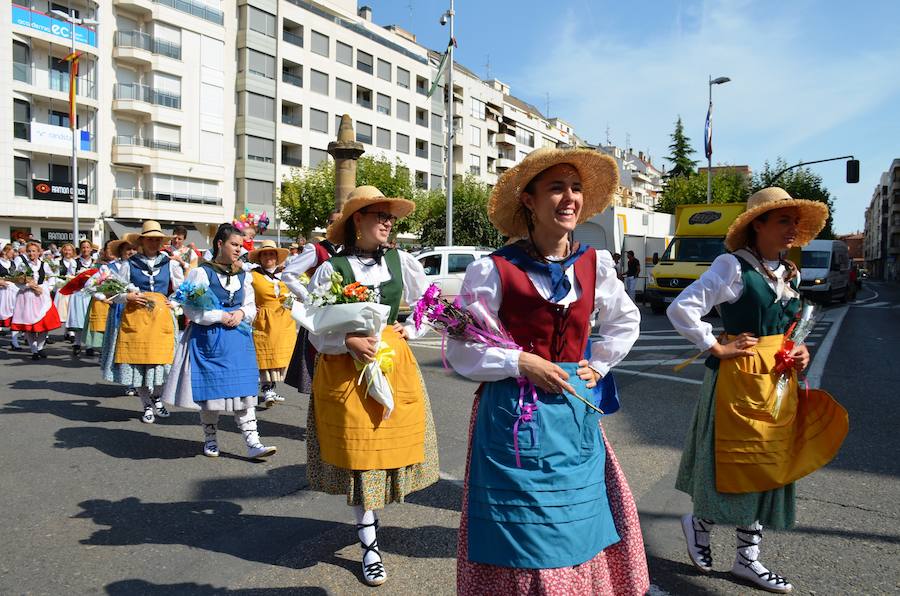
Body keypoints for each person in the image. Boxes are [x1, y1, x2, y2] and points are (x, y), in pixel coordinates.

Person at [446, 148, 649, 595]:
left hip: (572, 415)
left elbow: (624, 320)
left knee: (574, 527)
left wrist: (598, 364)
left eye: (574, 188)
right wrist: (518, 360)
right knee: (522, 534)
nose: (569, 198)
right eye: (556, 188)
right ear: (529, 201)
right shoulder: (494, 269)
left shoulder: (595, 264)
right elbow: (461, 347)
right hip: (511, 415)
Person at [667, 187, 849, 594]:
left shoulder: (789, 272)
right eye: (783, 220)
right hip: (740, 377)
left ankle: (739, 553)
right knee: (741, 461)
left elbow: (787, 327)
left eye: (794, 221)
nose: (792, 229)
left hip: (777, 376)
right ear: (757, 225)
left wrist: (799, 349)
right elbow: (681, 308)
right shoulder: (732, 266)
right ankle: (709, 530)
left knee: (770, 463)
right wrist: (715, 345)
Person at [305, 187, 438, 586]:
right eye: (378, 214)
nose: (387, 221)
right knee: (361, 455)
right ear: (356, 221)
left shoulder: (401, 260)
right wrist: (346, 340)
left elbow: (430, 299)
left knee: (385, 448)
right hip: (347, 370)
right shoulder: (333, 268)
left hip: (392, 364)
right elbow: (313, 323)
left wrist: (412, 328)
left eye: (390, 216)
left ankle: (371, 531)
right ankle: (369, 545)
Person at [162, 224, 277, 460]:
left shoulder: (243, 274)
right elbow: (191, 309)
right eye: (234, 244)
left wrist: (241, 314)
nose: (239, 249)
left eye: (241, 245)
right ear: (220, 244)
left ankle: (253, 441)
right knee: (211, 393)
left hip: (238, 339)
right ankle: (211, 438)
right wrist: (219, 315)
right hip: (209, 338)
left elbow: (250, 306)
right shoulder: (202, 272)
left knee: (244, 389)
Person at [102, 221, 183, 423]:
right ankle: (146, 404)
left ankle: (157, 396)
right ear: (142, 241)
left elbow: (183, 289)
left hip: (161, 319)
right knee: (139, 362)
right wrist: (127, 297)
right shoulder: (128, 264)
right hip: (136, 318)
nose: (154, 243)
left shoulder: (170, 263)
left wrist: (173, 301)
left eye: (157, 239)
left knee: (164, 361)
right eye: (150, 239)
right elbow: (113, 291)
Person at [281, 210, 343, 394]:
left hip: (343, 315)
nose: (334, 226)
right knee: (317, 369)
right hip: (320, 315)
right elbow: (289, 274)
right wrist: (309, 297)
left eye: (339, 222)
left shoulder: (352, 249)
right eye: (331, 222)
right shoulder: (316, 249)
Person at [247, 240, 297, 407]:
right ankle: (267, 388)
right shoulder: (252, 275)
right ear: (260, 258)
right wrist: (252, 307)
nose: (268, 257)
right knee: (263, 354)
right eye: (265, 254)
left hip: (284, 320)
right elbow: (245, 295)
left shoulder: (286, 275)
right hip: (264, 319)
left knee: (277, 356)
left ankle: (271, 388)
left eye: (271, 254)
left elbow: (296, 294)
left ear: (277, 257)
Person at [11, 241, 62, 359]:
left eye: (34, 251)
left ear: (39, 252)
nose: (31, 253)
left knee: (45, 324)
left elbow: (51, 279)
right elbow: (17, 283)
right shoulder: (23, 265)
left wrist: (46, 289)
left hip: (41, 296)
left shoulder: (44, 264)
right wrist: (29, 286)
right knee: (30, 327)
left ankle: (40, 347)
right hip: (27, 296)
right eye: (29, 251)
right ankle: (34, 350)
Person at [99, 240, 137, 397]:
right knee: (121, 345)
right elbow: (96, 286)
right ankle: (128, 381)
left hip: (135, 308)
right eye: (127, 249)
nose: (131, 252)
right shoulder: (108, 268)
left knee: (135, 345)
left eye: (133, 249)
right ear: (121, 251)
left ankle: (136, 381)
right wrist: (104, 297)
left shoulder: (139, 266)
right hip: (119, 308)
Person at [80, 241, 115, 357]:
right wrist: (102, 296)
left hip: (117, 300)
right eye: (108, 249)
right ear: (104, 251)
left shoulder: (124, 264)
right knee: (102, 329)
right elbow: (90, 285)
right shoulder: (100, 266)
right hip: (101, 300)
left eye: (113, 248)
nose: (111, 251)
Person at [66, 239, 98, 356]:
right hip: (78, 293)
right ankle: (77, 344)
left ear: (91, 249)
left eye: (87, 247)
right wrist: (78, 277)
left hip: (90, 293)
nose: (85, 250)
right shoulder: (74, 262)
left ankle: (89, 345)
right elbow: (69, 277)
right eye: (83, 247)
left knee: (89, 319)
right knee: (79, 320)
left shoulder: (95, 262)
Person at [0, 244, 22, 350]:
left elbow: (16, 276)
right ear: (4, 251)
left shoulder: (13, 263)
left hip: (13, 292)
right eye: (11, 251)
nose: (13, 253)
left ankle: (14, 341)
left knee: (15, 316)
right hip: (1, 292)